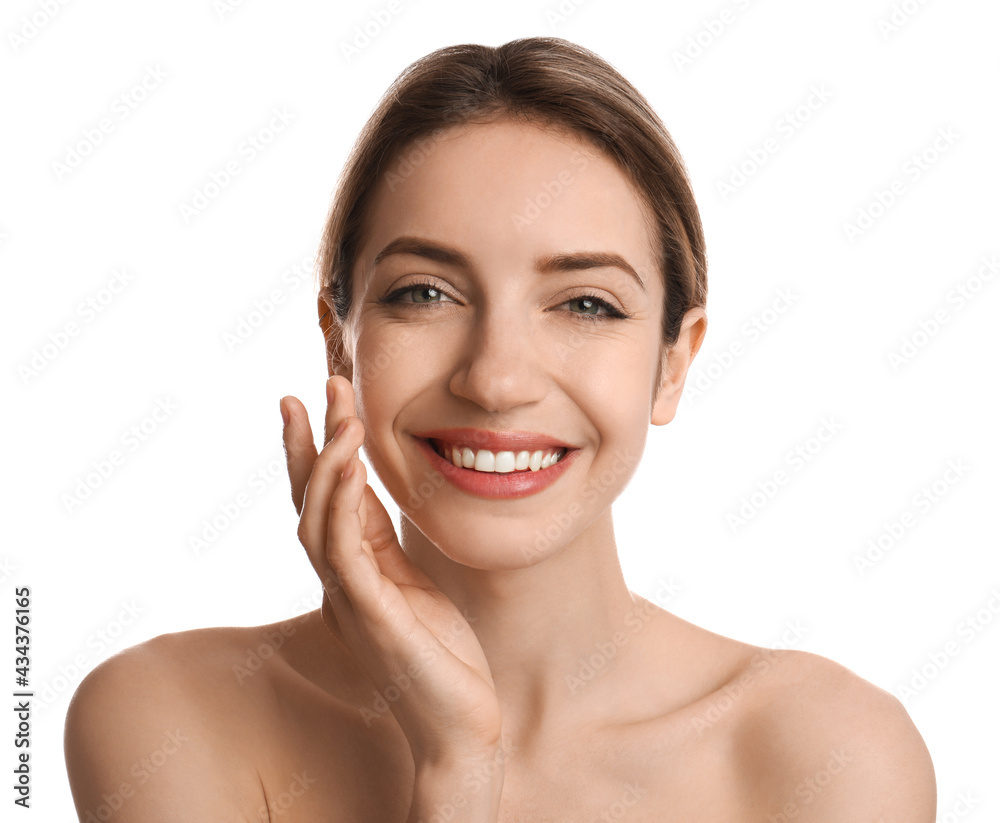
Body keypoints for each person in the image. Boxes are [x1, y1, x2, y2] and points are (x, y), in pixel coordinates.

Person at [64, 36, 936, 821]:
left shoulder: (828, 755)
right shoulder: (167, 716)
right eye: (425, 293)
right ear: (341, 344)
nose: (496, 378)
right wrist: (457, 765)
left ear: (674, 360)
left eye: (587, 303)